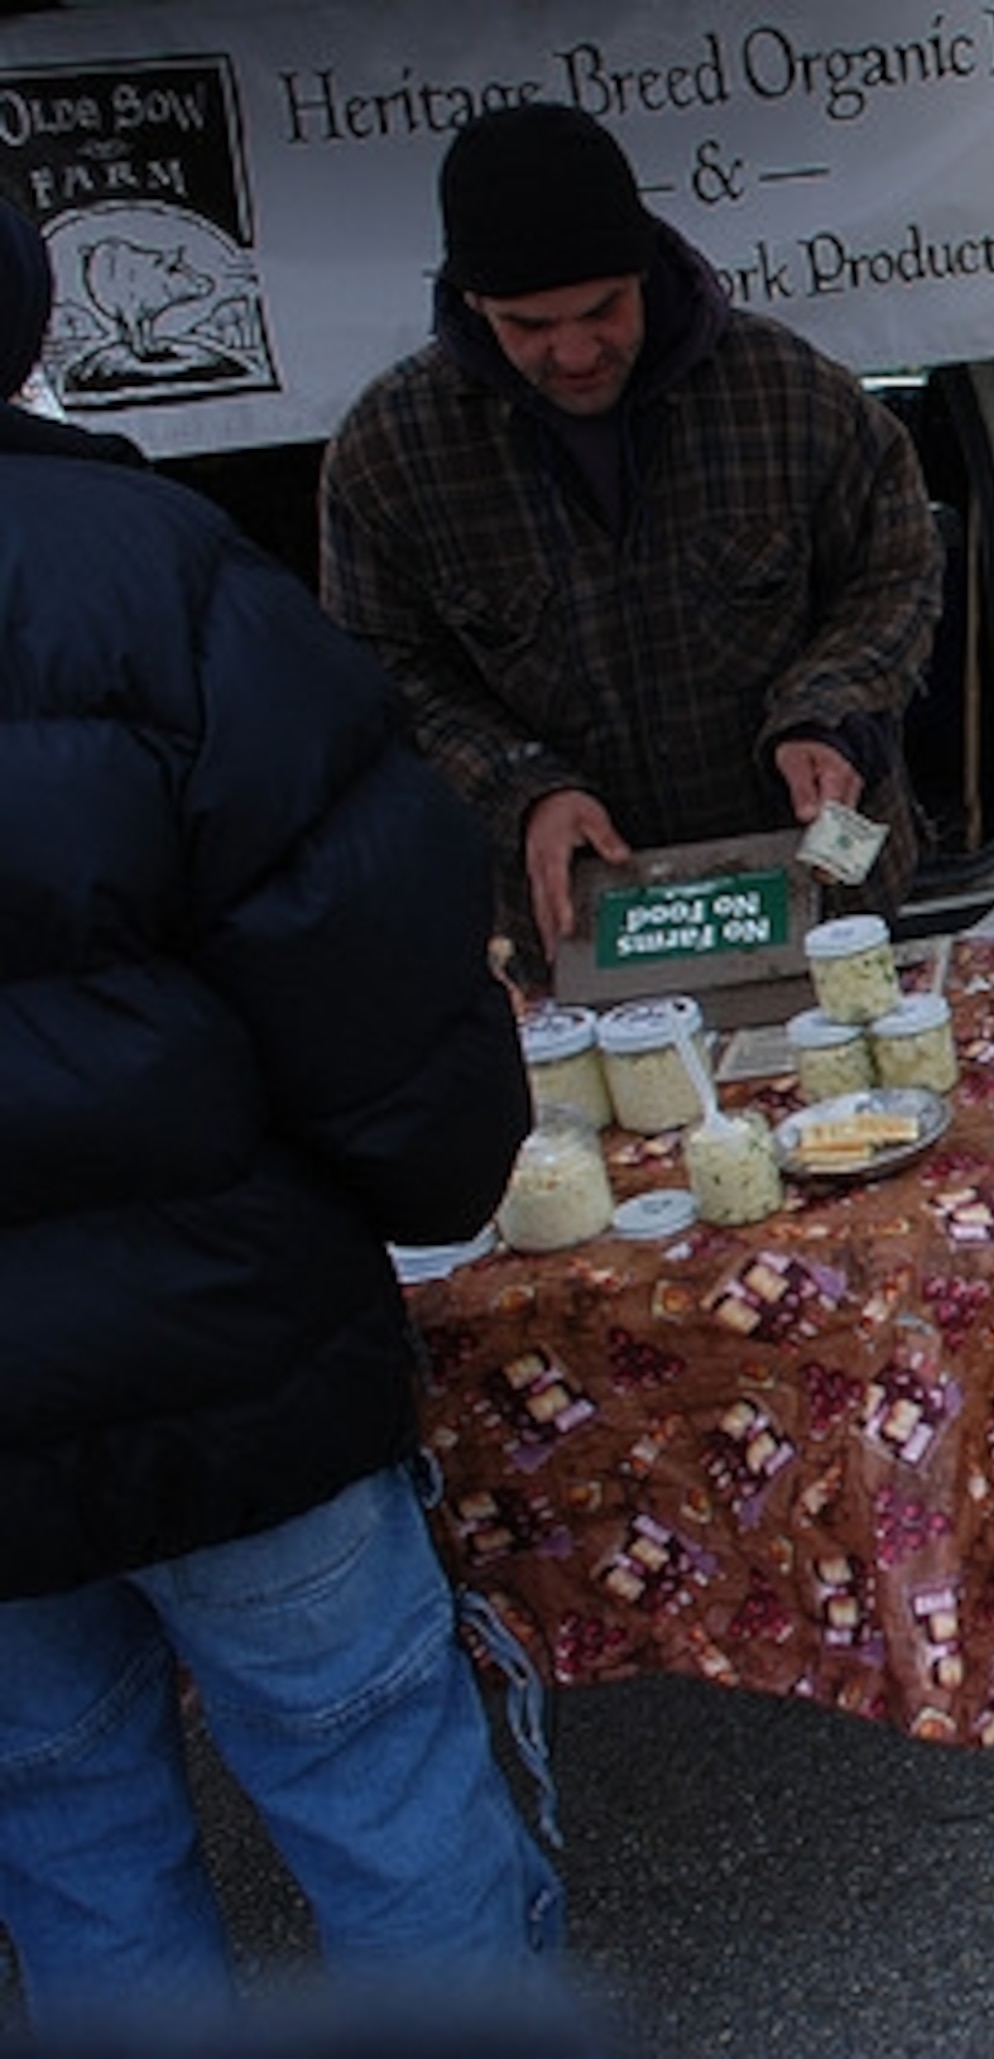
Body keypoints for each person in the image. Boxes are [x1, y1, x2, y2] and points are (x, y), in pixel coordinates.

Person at [0, 201, 564, 2033]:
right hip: (226, 1346)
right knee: (379, 1785)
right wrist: (443, 1167)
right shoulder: (150, 571)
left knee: (69, 1835)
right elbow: (364, 964)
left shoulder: (147, 571)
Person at [319, 102, 941, 980]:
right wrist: (521, 786)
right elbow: (381, 670)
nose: (574, 352)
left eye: (603, 309)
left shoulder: (790, 393)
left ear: (647, 267)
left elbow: (896, 569)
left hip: (811, 897)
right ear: (471, 302)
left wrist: (829, 712)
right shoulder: (390, 450)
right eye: (529, 326)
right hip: (575, 929)